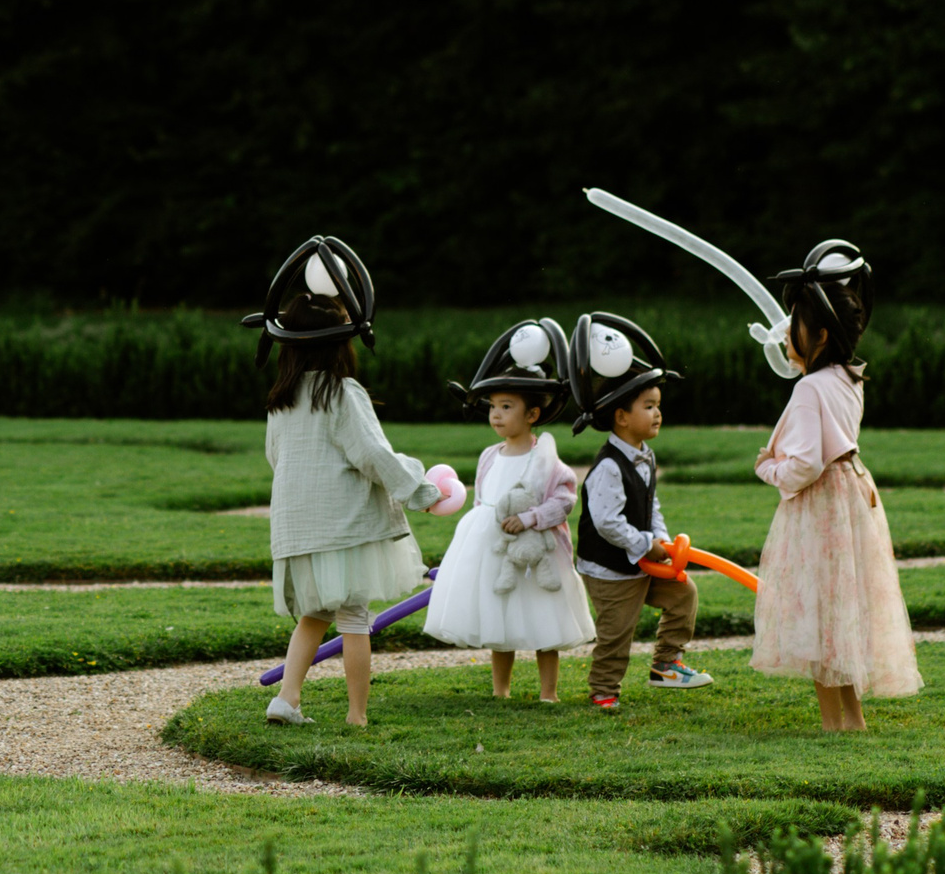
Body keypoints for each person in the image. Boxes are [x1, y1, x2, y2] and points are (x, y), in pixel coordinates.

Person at [241, 236, 463, 727]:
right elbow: (372, 455)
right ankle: (357, 716)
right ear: (340, 343)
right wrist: (422, 491)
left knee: (315, 616)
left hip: (297, 527)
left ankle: (287, 698)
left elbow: (276, 458)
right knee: (355, 619)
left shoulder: (282, 399)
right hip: (342, 526)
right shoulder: (341, 392)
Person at [750, 241, 922, 729]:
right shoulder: (849, 379)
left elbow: (804, 464)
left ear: (820, 336)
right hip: (851, 491)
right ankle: (853, 717)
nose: (786, 338)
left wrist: (768, 468)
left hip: (822, 501)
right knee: (842, 605)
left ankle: (832, 721)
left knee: (819, 608)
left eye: (795, 329)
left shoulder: (808, 388)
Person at [424, 321, 594, 700]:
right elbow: (485, 497)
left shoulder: (545, 458)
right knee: (500, 616)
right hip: (494, 549)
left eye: (506, 407)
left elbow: (565, 499)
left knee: (543, 617)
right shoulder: (490, 455)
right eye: (493, 407)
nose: (496, 415)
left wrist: (532, 519)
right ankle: (501, 689)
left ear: (532, 415)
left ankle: (548, 692)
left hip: (536, 552)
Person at [568, 311, 713, 710]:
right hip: (610, 568)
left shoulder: (645, 457)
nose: (657, 413)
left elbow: (651, 505)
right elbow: (608, 524)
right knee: (619, 630)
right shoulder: (610, 467)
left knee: (683, 593)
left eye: (658, 405)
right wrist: (647, 544)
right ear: (621, 416)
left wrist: (661, 537)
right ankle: (603, 689)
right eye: (648, 405)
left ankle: (666, 665)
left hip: (641, 558)